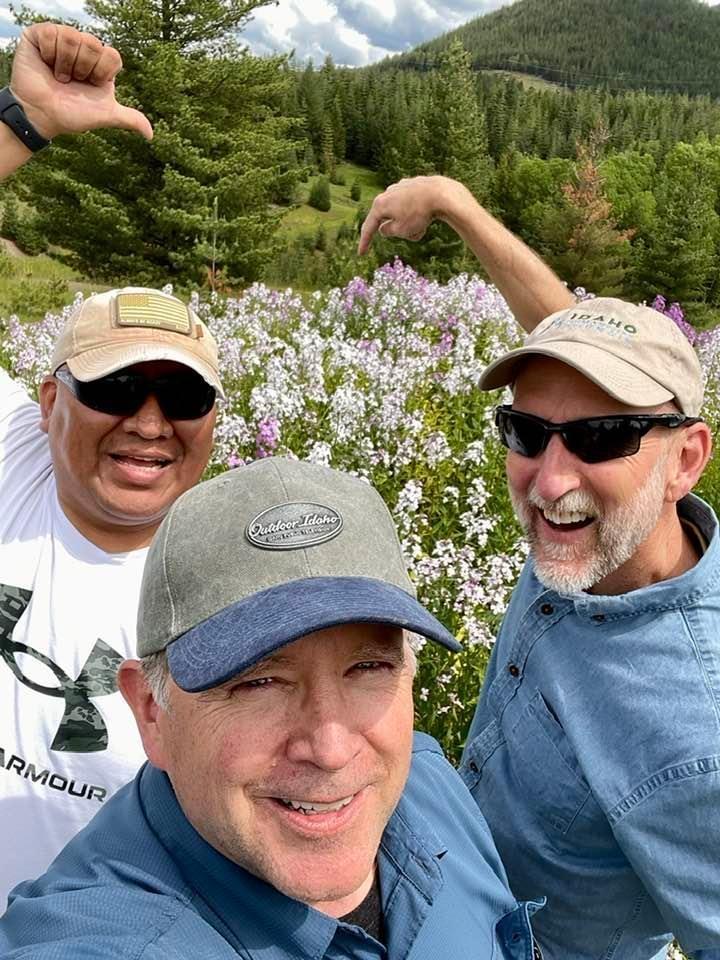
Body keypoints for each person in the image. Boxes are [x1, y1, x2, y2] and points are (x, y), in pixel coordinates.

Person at [361, 178, 720, 958]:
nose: (550, 480)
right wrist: (455, 204)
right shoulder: (607, 537)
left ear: (686, 460)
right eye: (524, 431)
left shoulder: (698, 732)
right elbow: (566, 353)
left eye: (601, 439)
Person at [0, 457, 543, 958]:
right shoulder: (99, 941)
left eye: (368, 668)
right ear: (150, 712)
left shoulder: (426, 781)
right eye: (260, 682)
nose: (331, 751)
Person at [0, 24, 223, 905]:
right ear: (48, 403)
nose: (148, 422)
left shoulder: (236, 577)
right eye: (117, 386)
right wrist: (24, 124)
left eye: (183, 397)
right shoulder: (12, 453)